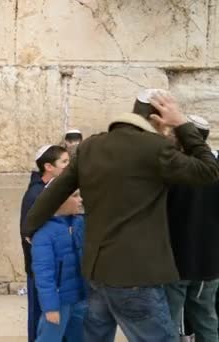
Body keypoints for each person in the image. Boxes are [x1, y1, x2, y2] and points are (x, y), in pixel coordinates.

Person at [24, 89, 219, 341]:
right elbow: (208, 170)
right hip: (135, 275)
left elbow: (56, 192)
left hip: (97, 271)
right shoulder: (155, 147)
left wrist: (30, 226)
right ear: (159, 120)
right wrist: (181, 123)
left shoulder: (91, 145)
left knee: (96, 336)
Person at [165, 114, 219, 342]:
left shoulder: (172, 170)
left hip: (175, 262)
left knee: (169, 324)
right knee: (206, 320)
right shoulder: (215, 169)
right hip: (209, 263)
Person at [20, 145, 69, 341]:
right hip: (43, 269)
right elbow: (29, 234)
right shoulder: (37, 194)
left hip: (56, 268)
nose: (69, 166)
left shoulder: (52, 189)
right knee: (41, 320)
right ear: (49, 166)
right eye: (64, 162)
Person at [32, 190, 86, 341]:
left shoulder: (79, 223)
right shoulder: (45, 233)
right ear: (59, 200)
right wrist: (50, 307)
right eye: (75, 196)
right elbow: (43, 273)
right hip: (59, 302)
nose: (80, 200)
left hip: (80, 298)